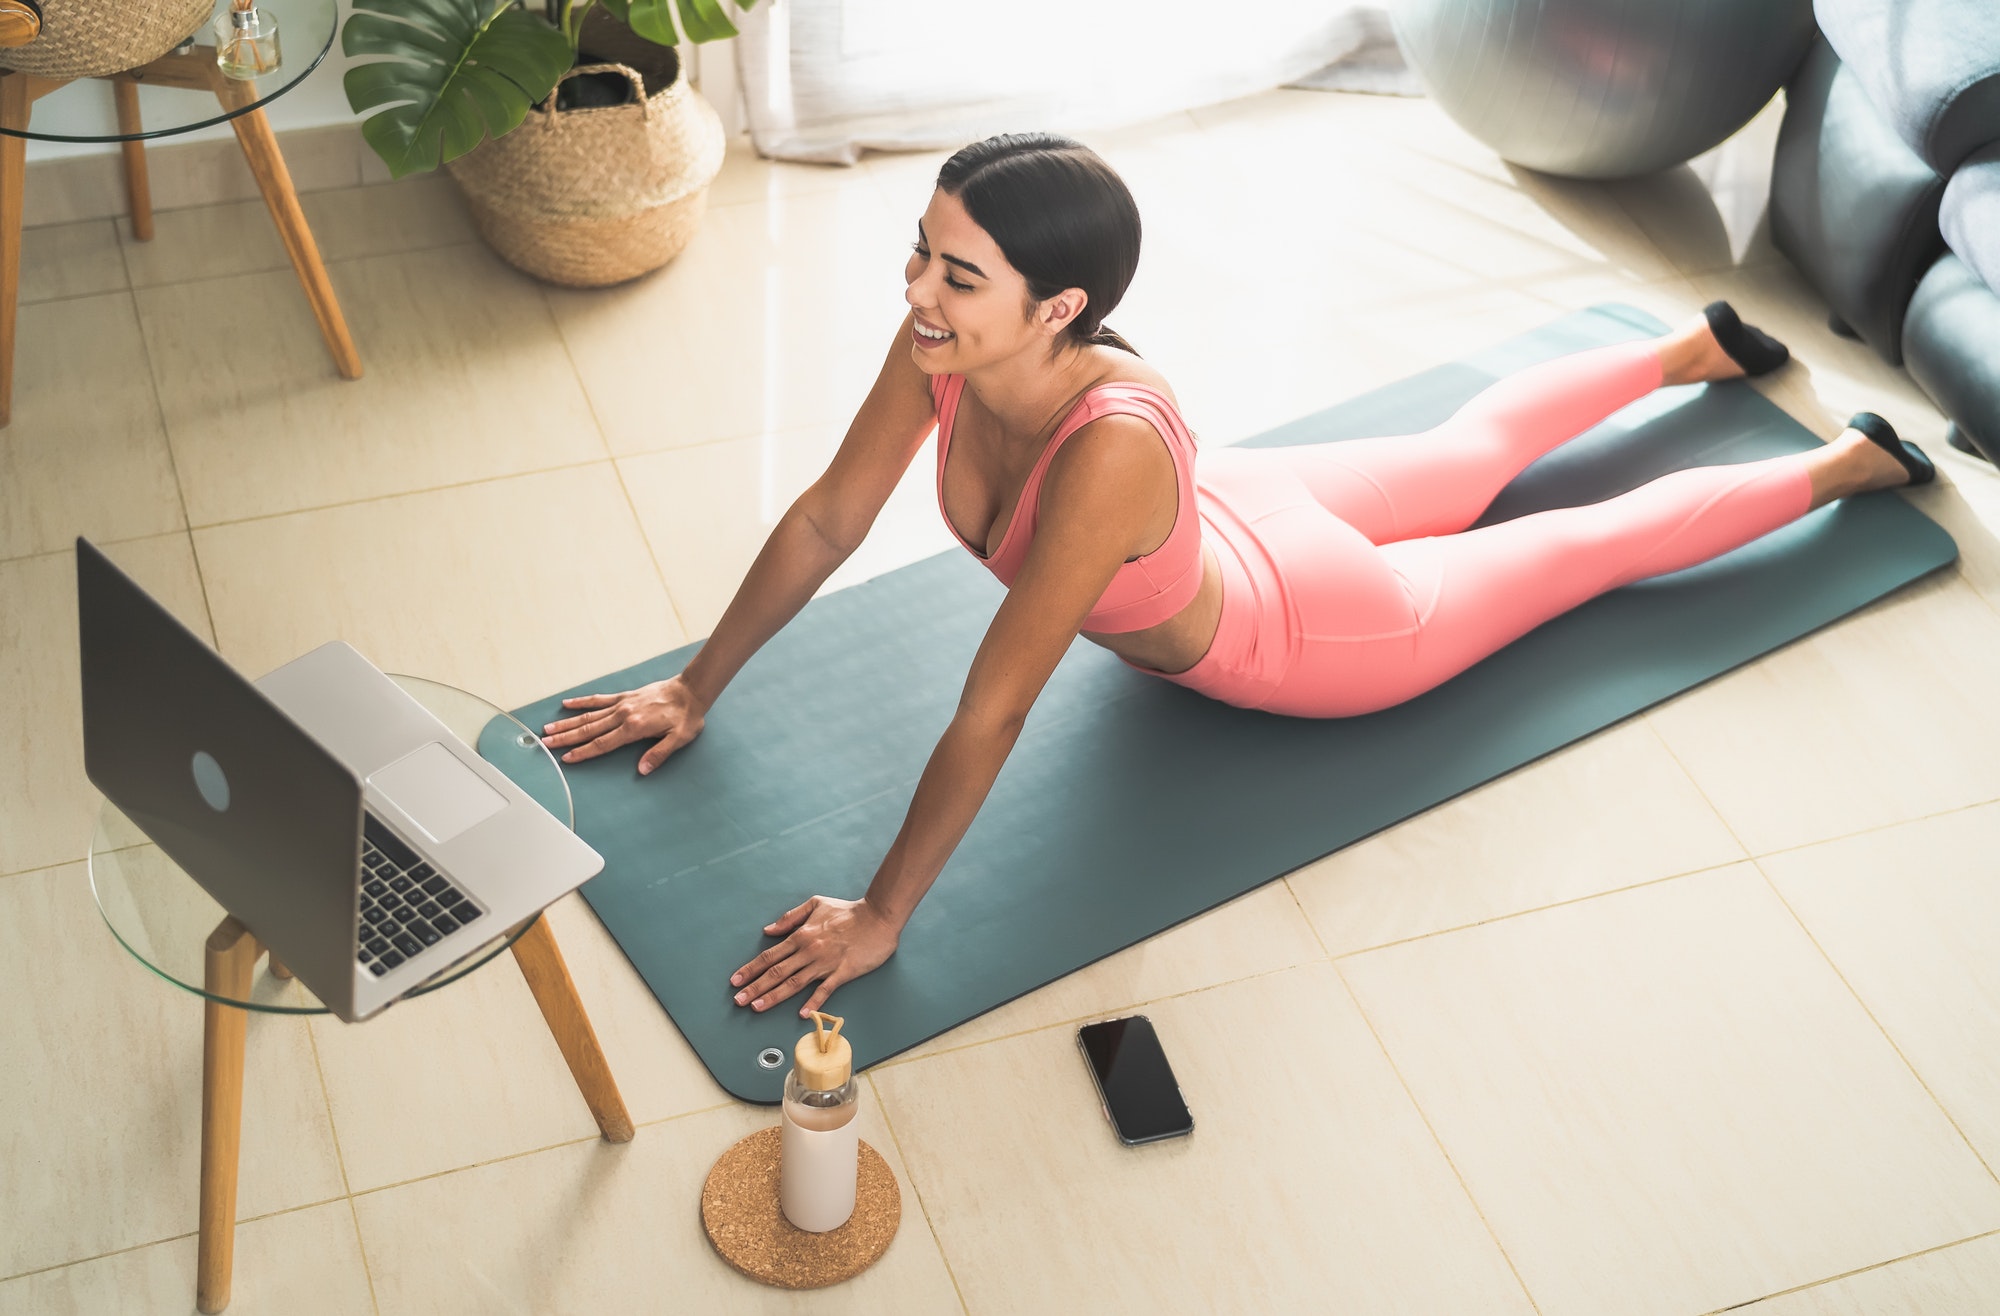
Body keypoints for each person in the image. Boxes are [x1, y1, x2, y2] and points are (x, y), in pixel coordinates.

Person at [539, 133, 1933, 1019]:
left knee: (1575, 547)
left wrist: (884, 912)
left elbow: (993, 710)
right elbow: (829, 520)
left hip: (1310, 631)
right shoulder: (943, 354)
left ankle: (1846, 467)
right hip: (1246, 508)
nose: (918, 290)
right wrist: (693, 684)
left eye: (959, 275)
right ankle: (1692, 347)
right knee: (1462, 452)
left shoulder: (1105, 454)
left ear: (1061, 308)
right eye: (924, 250)